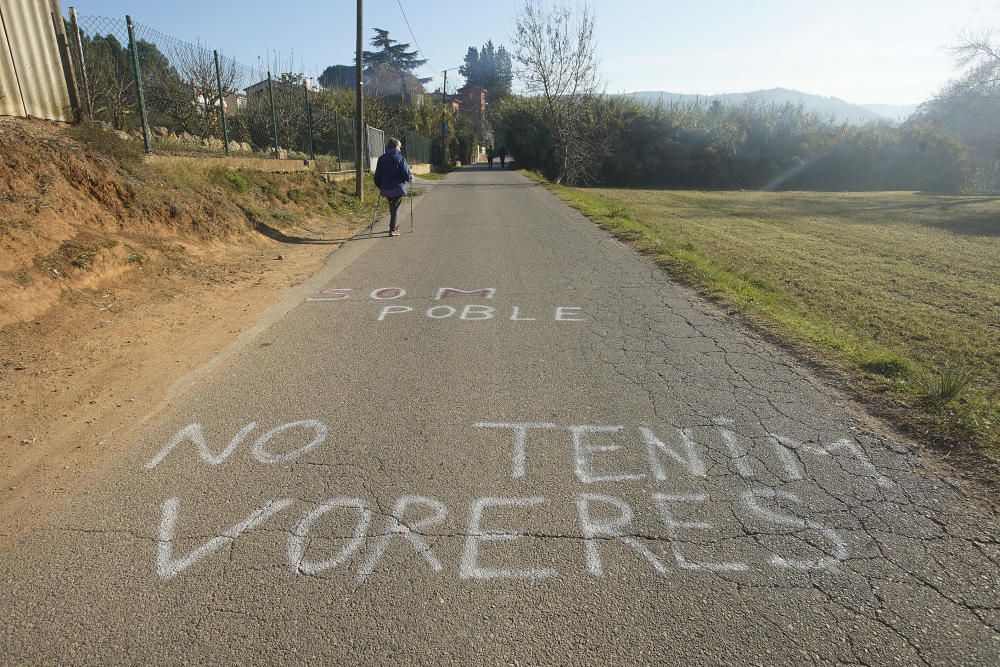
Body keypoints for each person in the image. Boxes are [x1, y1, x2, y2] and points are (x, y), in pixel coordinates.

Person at [373, 137, 413, 237]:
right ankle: (393, 228)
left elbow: (377, 176)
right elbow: (406, 174)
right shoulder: (400, 158)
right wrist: (410, 178)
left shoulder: (381, 159)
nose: (400, 149)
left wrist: (380, 185)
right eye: (399, 147)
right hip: (397, 189)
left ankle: (395, 225)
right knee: (395, 207)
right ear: (396, 147)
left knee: (393, 207)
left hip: (385, 189)